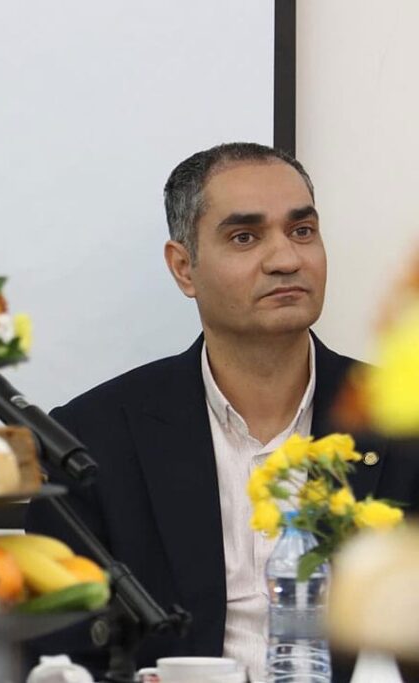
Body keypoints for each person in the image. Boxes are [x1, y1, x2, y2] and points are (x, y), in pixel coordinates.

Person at [26, 142, 419, 682]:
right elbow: (60, 653)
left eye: (302, 230)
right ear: (183, 268)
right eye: (245, 237)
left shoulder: (399, 421)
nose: (286, 259)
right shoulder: (89, 440)